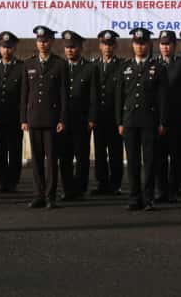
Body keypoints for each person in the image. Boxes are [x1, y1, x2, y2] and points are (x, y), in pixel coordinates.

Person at [116, 28, 168, 211]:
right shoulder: (125, 67)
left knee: (150, 161)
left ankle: (148, 198)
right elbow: (119, 98)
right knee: (133, 162)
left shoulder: (158, 68)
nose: (140, 46)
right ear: (132, 45)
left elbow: (163, 98)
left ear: (149, 44)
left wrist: (162, 121)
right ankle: (134, 197)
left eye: (143, 43)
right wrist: (120, 122)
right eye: (137, 43)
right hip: (130, 121)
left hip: (149, 121)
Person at [21, 26, 67, 209]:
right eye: (40, 41)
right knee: (37, 159)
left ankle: (50, 196)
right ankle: (38, 194)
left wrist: (62, 119)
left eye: (46, 40)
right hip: (34, 117)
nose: (43, 44)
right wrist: (23, 118)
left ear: (52, 42)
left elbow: (64, 95)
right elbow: (24, 94)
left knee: (51, 159)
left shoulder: (59, 64)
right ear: (36, 42)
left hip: (52, 118)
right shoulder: (28, 64)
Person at [59, 31, 92, 201]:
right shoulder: (60, 67)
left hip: (81, 119)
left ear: (80, 48)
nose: (70, 50)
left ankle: (80, 188)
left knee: (81, 156)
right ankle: (67, 189)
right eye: (67, 47)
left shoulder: (89, 68)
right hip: (64, 120)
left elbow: (93, 95)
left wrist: (91, 118)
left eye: (73, 47)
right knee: (64, 156)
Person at [90, 29, 124, 195]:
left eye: (110, 44)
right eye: (104, 44)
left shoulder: (122, 65)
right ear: (99, 45)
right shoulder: (93, 65)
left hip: (115, 116)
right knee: (100, 152)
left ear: (115, 45)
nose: (107, 48)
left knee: (116, 152)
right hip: (99, 117)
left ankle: (115, 184)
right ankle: (102, 183)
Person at [155, 29, 181, 203]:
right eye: (162, 44)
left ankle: (173, 189)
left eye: (168, 44)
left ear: (174, 46)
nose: (165, 48)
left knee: (175, 156)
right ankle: (160, 189)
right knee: (159, 156)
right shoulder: (153, 63)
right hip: (158, 117)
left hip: (175, 117)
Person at [0, 31, 23, 194]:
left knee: (15, 150)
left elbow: (24, 94)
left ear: (15, 48)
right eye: (4, 47)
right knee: (1, 151)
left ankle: (13, 181)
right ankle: (3, 182)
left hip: (15, 117)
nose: (6, 51)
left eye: (9, 47)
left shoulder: (21, 67)